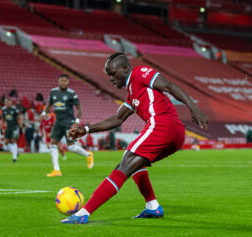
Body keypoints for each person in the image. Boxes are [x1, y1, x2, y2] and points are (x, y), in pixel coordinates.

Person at [61, 53, 208, 224]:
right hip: (174, 134)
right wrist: (85, 130)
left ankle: (83, 213)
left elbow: (169, 85)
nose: (110, 78)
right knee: (134, 164)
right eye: (108, 75)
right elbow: (116, 119)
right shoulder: (132, 92)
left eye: (112, 73)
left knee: (124, 165)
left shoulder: (139, 73)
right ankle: (152, 206)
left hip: (162, 126)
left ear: (125, 68)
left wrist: (194, 108)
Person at [39, 74, 93, 177]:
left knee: (71, 147)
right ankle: (56, 170)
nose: (63, 82)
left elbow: (79, 109)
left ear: (68, 82)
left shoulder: (71, 94)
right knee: (53, 143)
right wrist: (43, 114)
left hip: (69, 122)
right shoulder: (53, 92)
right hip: (58, 122)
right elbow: (49, 105)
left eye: (65, 81)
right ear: (58, 82)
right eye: (62, 81)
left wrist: (76, 121)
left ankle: (88, 154)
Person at [0, 98, 22, 162]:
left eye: (8, 102)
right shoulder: (4, 109)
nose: (7, 103)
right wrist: (1, 128)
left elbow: (19, 118)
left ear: (11, 103)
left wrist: (20, 127)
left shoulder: (14, 109)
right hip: (8, 127)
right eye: (6, 102)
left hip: (14, 127)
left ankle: (14, 158)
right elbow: (3, 119)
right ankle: (15, 151)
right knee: (6, 142)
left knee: (13, 140)